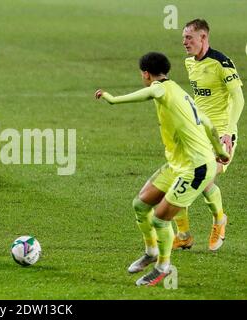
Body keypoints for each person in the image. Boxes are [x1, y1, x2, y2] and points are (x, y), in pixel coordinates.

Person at [94, 52, 229, 286]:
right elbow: (206, 122)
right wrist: (222, 151)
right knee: (140, 204)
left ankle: (163, 267)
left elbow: (151, 92)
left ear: (146, 74)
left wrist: (113, 99)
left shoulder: (161, 88)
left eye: (142, 74)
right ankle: (151, 251)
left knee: (160, 219)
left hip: (195, 167)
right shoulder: (180, 91)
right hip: (179, 164)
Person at [173, 19, 244, 251]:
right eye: (183, 38)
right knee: (178, 179)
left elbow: (239, 99)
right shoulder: (189, 63)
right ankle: (183, 235)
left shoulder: (221, 63)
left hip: (221, 136)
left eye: (189, 38)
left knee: (204, 181)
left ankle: (219, 220)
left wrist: (227, 132)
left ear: (203, 37)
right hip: (197, 132)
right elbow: (202, 99)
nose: (184, 42)